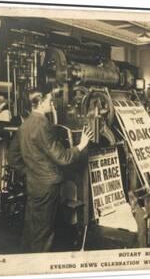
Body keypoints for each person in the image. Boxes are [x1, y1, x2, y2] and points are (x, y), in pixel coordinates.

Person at [8, 91, 93, 253]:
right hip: (47, 186)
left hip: (34, 184)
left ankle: (24, 264)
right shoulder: (43, 125)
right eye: (49, 100)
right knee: (44, 232)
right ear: (40, 103)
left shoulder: (25, 124)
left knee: (32, 226)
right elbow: (62, 157)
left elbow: (12, 157)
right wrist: (81, 145)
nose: (51, 103)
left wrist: (30, 172)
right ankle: (40, 268)